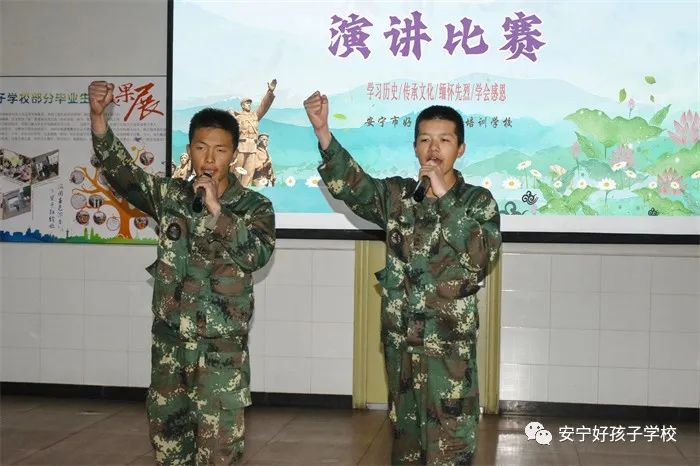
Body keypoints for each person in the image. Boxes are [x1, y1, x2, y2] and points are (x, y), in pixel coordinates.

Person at [304, 91, 501, 465]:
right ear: (415, 147)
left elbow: (480, 256)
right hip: (401, 342)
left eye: (444, 140)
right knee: (405, 443)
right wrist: (323, 132)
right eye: (425, 140)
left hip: (448, 347)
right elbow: (354, 186)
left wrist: (444, 198)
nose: (434, 149)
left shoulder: (478, 202)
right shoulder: (398, 196)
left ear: (461, 149)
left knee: (450, 441)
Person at [88, 80, 276, 465]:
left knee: (218, 453)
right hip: (170, 347)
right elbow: (124, 175)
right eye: (201, 147)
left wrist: (217, 212)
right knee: (169, 450)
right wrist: (99, 121)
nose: (210, 158)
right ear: (189, 150)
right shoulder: (171, 197)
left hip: (220, 353)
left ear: (234, 153)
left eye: (220, 149)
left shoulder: (254, 207)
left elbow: (257, 254)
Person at [228, 79, 276, 187]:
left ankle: (245, 192)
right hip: (241, 147)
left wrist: (270, 92)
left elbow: (264, 106)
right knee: (236, 172)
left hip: (252, 148)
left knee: (249, 173)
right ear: (242, 105)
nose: (249, 105)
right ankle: (233, 191)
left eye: (250, 103)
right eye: (247, 103)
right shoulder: (237, 117)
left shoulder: (255, 116)